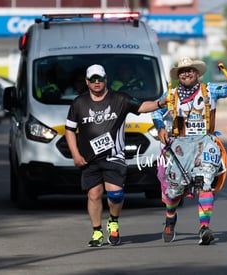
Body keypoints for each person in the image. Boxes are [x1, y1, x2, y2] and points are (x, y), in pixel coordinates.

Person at [65, 64, 167, 247]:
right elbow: (69, 130)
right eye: (93, 79)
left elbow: (142, 106)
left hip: (114, 156)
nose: (97, 83)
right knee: (94, 195)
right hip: (89, 159)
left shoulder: (120, 99)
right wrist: (75, 154)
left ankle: (113, 221)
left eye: (100, 79)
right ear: (87, 82)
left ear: (106, 80)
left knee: (116, 194)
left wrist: (161, 103)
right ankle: (97, 232)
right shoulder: (79, 103)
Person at [152, 56, 227, 245]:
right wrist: (160, 126)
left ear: (197, 73)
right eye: (182, 71)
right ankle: (170, 218)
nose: (186, 73)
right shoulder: (171, 94)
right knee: (174, 190)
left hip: (205, 142)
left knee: (205, 182)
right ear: (178, 76)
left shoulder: (210, 90)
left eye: (190, 70)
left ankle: (204, 228)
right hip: (179, 144)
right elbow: (156, 110)